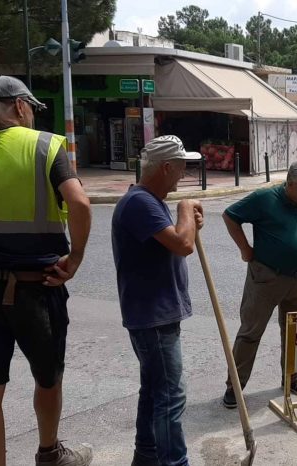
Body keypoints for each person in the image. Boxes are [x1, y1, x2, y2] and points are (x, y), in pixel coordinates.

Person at [0, 76, 92, 466]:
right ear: (21, 106)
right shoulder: (43, 145)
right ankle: (50, 453)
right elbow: (80, 204)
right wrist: (74, 259)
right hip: (37, 289)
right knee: (49, 377)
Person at [111, 135, 204, 466]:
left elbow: (179, 239)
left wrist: (188, 222)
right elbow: (183, 244)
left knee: (153, 390)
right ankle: (173, 462)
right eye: (180, 169)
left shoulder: (148, 200)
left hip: (154, 315)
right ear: (166, 167)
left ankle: (146, 456)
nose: (183, 176)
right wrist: (184, 212)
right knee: (170, 395)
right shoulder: (141, 203)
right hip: (153, 318)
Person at [221, 159, 297, 409]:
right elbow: (230, 216)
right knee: (250, 332)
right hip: (267, 277)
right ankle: (235, 386)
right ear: (289, 183)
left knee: (296, 332)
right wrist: (246, 250)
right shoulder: (265, 198)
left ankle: (292, 378)